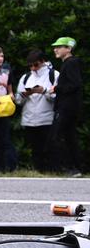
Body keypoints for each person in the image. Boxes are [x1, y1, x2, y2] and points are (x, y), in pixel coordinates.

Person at [15, 49, 58, 172]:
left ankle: (53, 171)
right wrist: (25, 94)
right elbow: (18, 100)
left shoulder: (54, 75)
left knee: (50, 147)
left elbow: (59, 98)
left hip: (47, 119)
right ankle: (39, 171)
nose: (33, 68)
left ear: (43, 62)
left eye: (36, 65)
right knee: (35, 148)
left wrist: (44, 91)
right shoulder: (26, 77)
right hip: (29, 119)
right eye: (30, 66)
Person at [51, 37, 82, 177]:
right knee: (70, 137)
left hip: (67, 106)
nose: (55, 49)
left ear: (68, 49)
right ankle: (76, 167)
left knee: (58, 136)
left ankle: (70, 167)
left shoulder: (71, 63)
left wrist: (57, 88)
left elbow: (75, 84)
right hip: (70, 106)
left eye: (59, 46)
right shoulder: (68, 63)